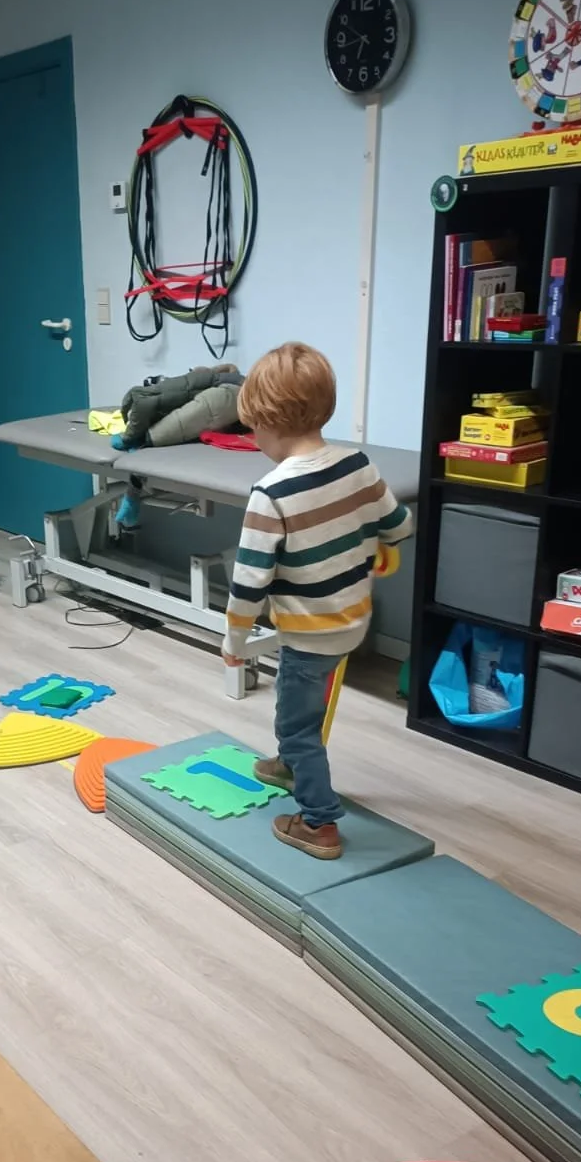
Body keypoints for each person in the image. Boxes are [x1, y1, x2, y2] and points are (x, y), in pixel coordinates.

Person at [222, 342, 413, 860]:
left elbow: (249, 583)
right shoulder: (358, 464)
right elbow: (399, 525)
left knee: (297, 724)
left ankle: (318, 821)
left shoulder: (271, 494)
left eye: (253, 429)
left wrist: (234, 642)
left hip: (311, 633)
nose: (254, 439)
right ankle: (289, 766)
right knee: (301, 706)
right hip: (353, 619)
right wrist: (383, 547)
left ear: (267, 421)